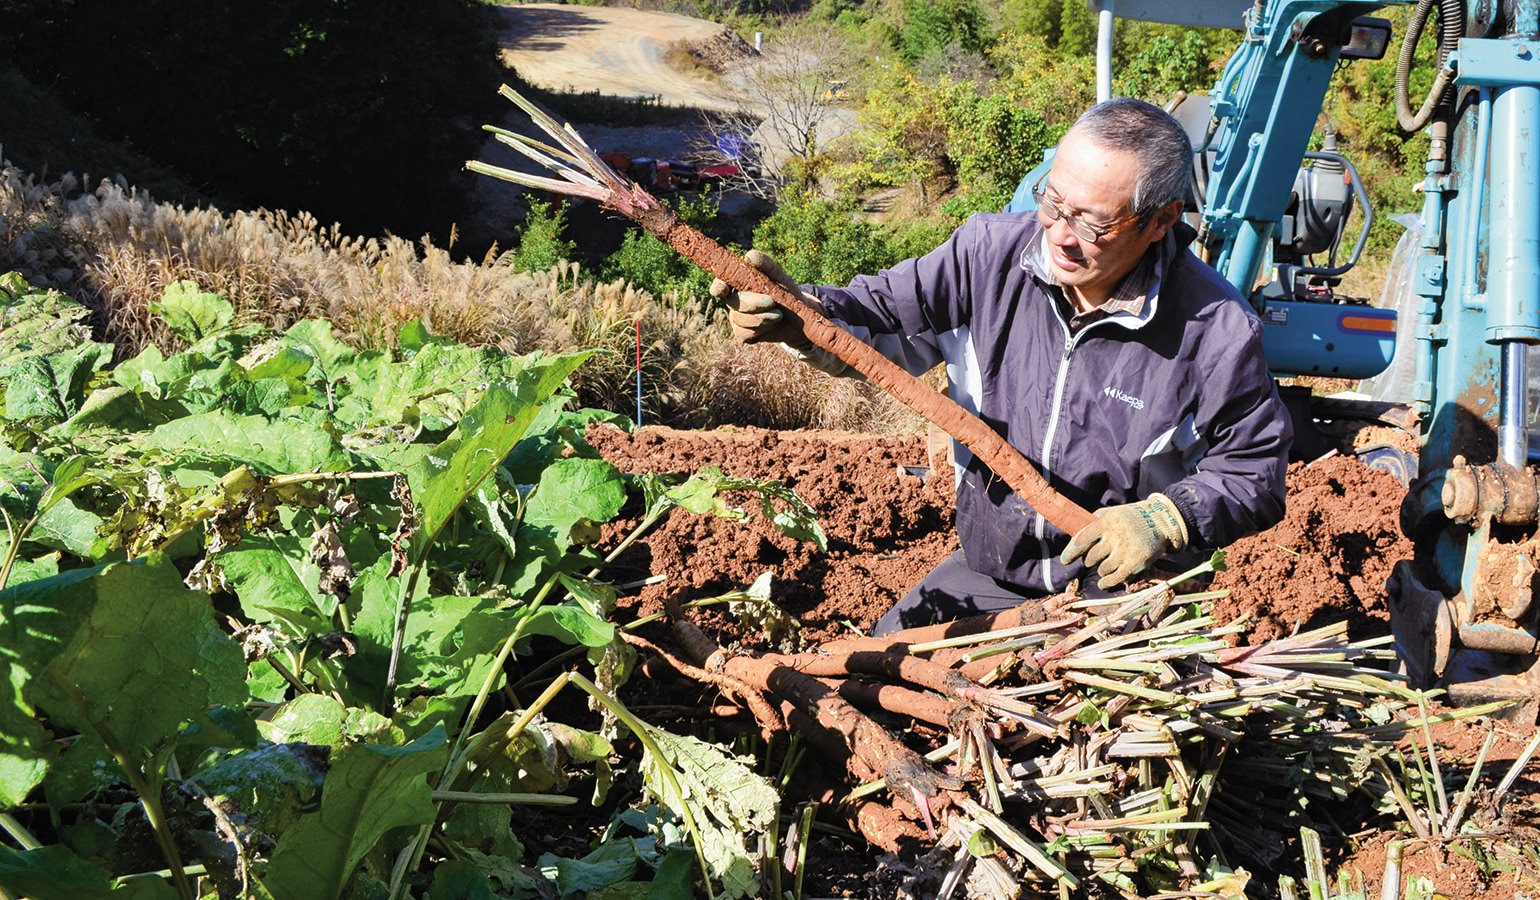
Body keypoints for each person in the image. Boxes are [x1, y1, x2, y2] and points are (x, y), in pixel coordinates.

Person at [711, 97, 1291, 635]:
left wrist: (1166, 519)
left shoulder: (1215, 328)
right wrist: (799, 314)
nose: (1061, 235)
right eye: (1053, 202)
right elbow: (881, 311)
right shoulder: (987, 256)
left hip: (1124, 597)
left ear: (1161, 221)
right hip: (994, 571)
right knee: (881, 659)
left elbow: (1254, 472)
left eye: (1092, 224)